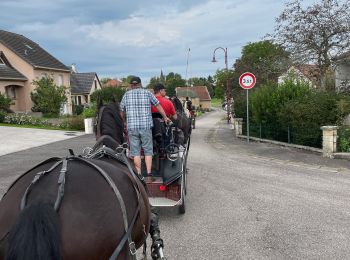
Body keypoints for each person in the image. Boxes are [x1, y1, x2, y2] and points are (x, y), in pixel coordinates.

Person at [120, 76, 171, 176]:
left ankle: (138, 174)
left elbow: (121, 111)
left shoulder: (126, 95)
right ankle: (148, 173)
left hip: (132, 128)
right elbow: (158, 105)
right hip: (145, 127)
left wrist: (124, 122)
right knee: (148, 150)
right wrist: (165, 117)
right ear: (140, 84)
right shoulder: (147, 93)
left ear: (131, 85)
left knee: (135, 152)